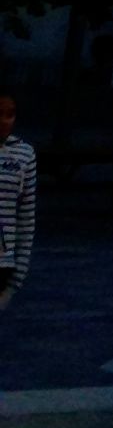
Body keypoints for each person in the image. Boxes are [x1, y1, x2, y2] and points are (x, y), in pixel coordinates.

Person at [0, 87, 33, 316]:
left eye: (10, 114)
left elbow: (26, 218)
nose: (4, 121)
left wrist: (17, 276)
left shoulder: (24, 154)